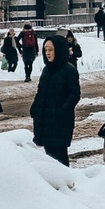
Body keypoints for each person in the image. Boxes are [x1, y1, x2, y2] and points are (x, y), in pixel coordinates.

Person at [30, 35, 81, 165]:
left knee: (60, 157)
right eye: (45, 50)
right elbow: (41, 91)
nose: (47, 53)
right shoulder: (47, 70)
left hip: (60, 122)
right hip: (45, 120)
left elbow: (74, 95)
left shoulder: (69, 70)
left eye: (51, 50)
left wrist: (61, 112)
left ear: (59, 50)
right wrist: (35, 107)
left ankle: (66, 183)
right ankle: (53, 184)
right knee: (49, 157)